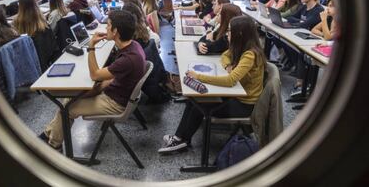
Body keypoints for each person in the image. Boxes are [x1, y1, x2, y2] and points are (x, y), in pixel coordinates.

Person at [39, 10, 146, 151]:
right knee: (67, 99)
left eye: (108, 26)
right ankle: (50, 133)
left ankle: (53, 146)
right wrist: (96, 89)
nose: (105, 28)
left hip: (116, 103)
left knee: (67, 109)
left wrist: (91, 46)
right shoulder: (133, 46)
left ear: (116, 32)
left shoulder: (128, 59)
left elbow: (95, 75)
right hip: (115, 92)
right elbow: (114, 77)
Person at [159, 16, 266, 153]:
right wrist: (228, 66)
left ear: (239, 34)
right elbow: (225, 56)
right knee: (194, 100)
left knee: (199, 105)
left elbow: (230, 80)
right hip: (236, 95)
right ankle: (181, 139)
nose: (227, 34)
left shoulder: (250, 54)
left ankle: (181, 140)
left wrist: (199, 76)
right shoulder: (242, 46)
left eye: (230, 31)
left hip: (244, 105)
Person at [13, 0, 59, 71]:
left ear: (20, 6)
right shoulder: (43, 23)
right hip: (45, 64)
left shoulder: (16, 22)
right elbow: (53, 48)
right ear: (35, 4)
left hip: (29, 66)